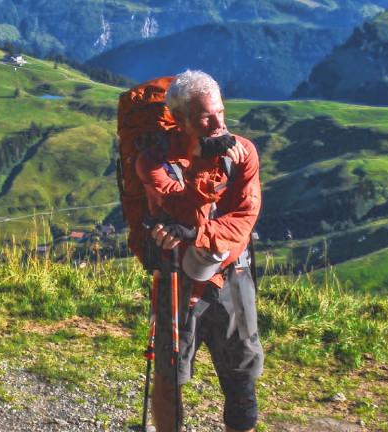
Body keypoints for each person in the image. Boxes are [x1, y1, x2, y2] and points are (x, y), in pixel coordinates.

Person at [135, 70, 263, 432]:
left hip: (232, 274)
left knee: (243, 376)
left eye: (220, 112)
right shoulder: (153, 160)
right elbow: (183, 209)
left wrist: (196, 234)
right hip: (177, 279)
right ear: (179, 119)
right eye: (206, 116)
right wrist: (203, 160)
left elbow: (244, 218)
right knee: (169, 373)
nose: (218, 123)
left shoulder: (243, 151)